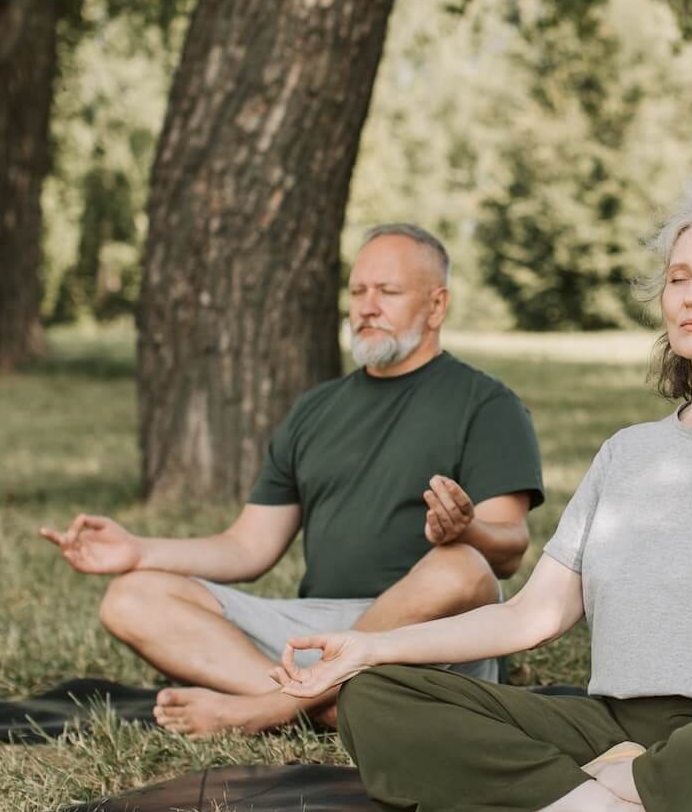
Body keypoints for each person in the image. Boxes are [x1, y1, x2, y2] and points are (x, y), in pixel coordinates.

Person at [272, 184, 692, 812]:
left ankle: (574, 790)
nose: (691, 296)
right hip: (613, 728)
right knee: (378, 694)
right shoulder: (626, 454)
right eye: (679, 279)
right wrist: (368, 648)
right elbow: (531, 616)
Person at [38, 224, 545, 737]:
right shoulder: (316, 409)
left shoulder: (488, 405)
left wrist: (468, 530)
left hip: (426, 634)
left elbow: (505, 553)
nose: (367, 307)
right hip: (318, 632)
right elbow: (248, 547)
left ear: (436, 306)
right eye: (357, 292)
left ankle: (266, 710)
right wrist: (138, 552)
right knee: (131, 597)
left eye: (388, 292)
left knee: (461, 566)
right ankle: (326, 709)